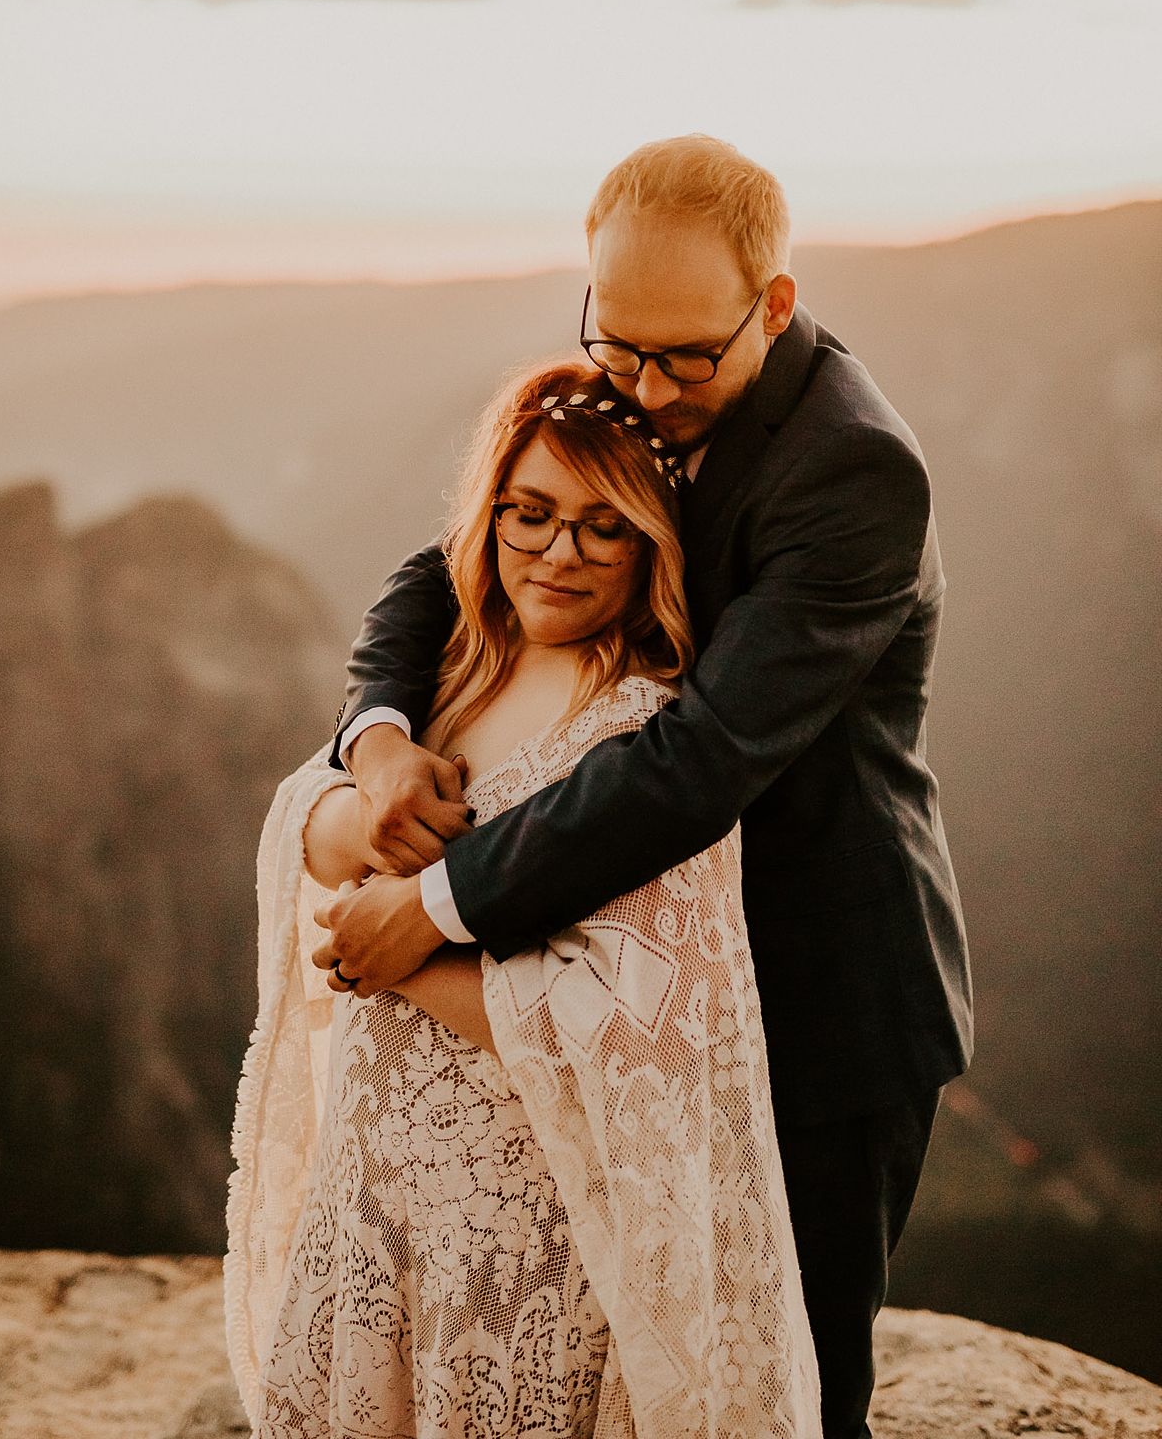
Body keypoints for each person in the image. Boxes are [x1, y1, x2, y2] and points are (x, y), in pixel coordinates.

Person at [315, 135, 972, 1439]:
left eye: (687, 358)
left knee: (777, 1382)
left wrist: (437, 907)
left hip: (815, 996)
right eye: (617, 345)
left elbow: (701, 762)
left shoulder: (852, 471)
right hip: (640, 985)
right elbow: (444, 568)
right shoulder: (630, 379)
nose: (649, 389)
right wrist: (380, 739)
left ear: (773, 304)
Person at [225, 358, 822, 1438]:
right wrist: (372, 800)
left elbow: (643, 1019)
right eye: (531, 514)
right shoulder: (449, 672)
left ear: (652, 545)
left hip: (525, 1238)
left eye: (604, 528)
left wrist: (412, 947)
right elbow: (296, 823)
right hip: (379, 1209)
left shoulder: (639, 729)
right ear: (489, 512)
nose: (557, 551)